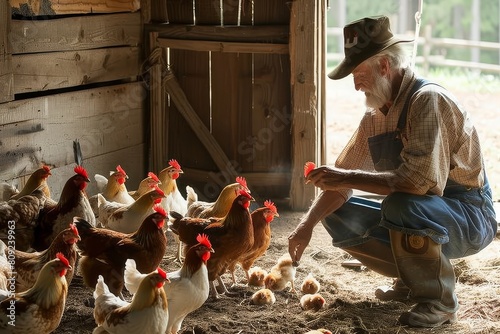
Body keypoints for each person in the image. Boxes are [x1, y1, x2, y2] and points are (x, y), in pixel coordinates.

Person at [288, 15, 497, 328]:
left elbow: (416, 183)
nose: (355, 83)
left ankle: (439, 301)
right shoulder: (375, 116)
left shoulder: (427, 100)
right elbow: (341, 180)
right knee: (334, 212)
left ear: (384, 66)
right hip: (428, 209)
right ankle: (411, 280)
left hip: (468, 214)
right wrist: (306, 225)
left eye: (358, 72)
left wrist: (344, 178)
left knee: (401, 204)